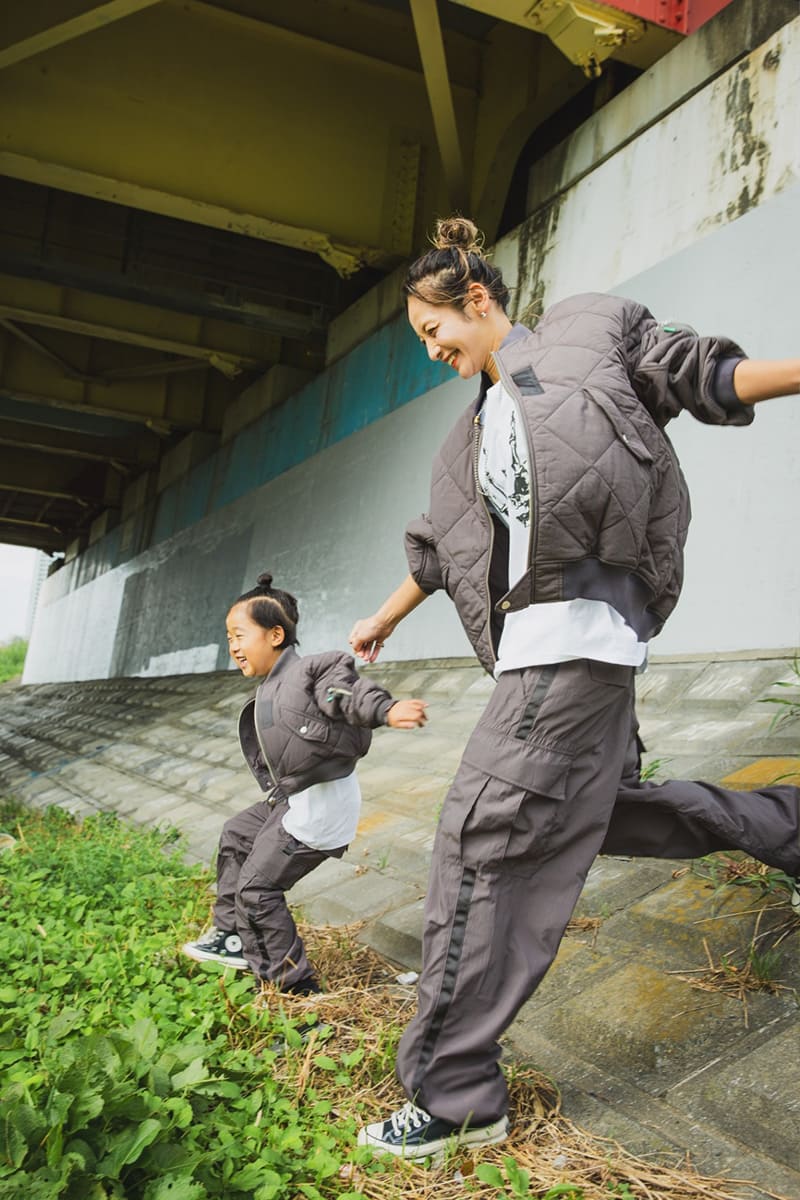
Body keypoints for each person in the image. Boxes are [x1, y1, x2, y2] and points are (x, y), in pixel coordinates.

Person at [349, 217, 800, 1161]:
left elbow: (697, 374)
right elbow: (436, 549)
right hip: (544, 657)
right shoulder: (465, 436)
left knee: (481, 843)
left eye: (434, 331)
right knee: (602, 815)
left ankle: (456, 1094)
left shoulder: (589, 330)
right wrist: (383, 619)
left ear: (477, 299)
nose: (432, 352)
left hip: (573, 643)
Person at [182, 572, 427, 993]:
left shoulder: (314, 671)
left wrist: (385, 710)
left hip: (320, 808)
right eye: (228, 638)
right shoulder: (271, 685)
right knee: (237, 835)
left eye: (239, 635)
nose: (233, 647)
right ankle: (232, 936)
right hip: (292, 800)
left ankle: (294, 988)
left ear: (275, 635)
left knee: (257, 890)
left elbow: (344, 695)